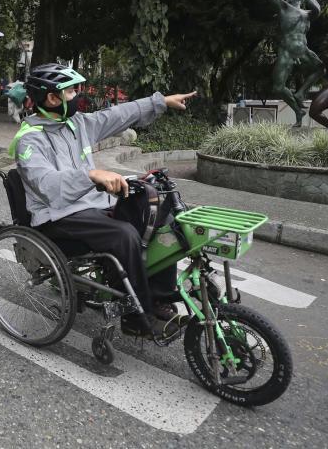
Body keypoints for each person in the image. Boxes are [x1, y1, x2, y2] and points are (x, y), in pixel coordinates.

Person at [10, 62, 197, 336]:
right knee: (124, 235)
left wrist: (161, 102)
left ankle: (157, 298)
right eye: (71, 92)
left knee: (160, 214)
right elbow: (47, 185)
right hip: (57, 215)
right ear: (52, 98)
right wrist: (91, 175)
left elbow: (118, 114)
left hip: (92, 207)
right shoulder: (29, 140)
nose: (77, 97)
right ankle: (135, 317)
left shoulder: (76, 123)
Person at [267, 0, 326, 124]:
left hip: (303, 50)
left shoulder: (306, 14)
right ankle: (298, 111)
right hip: (286, 51)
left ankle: (300, 93)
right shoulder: (285, 8)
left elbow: (317, 8)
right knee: (277, 88)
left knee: (321, 68)